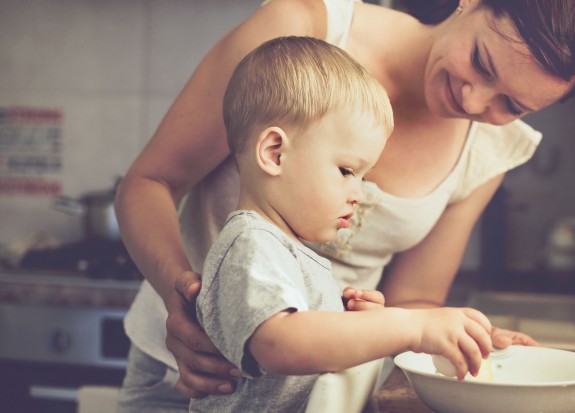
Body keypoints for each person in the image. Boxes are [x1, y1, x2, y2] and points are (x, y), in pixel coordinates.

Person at [115, 0, 575, 410]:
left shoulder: (493, 147)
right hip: (190, 378)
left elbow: (414, 302)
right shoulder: (304, 31)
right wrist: (183, 302)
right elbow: (149, 182)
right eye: (483, 63)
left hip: (320, 396)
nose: (475, 103)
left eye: (512, 104)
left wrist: (462, 337)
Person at [186, 36, 493, 413]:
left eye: (363, 177)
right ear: (274, 153)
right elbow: (278, 344)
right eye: (347, 171)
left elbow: (308, 345)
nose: (359, 194)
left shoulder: (286, 251)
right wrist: (407, 327)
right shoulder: (250, 245)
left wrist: (356, 324)